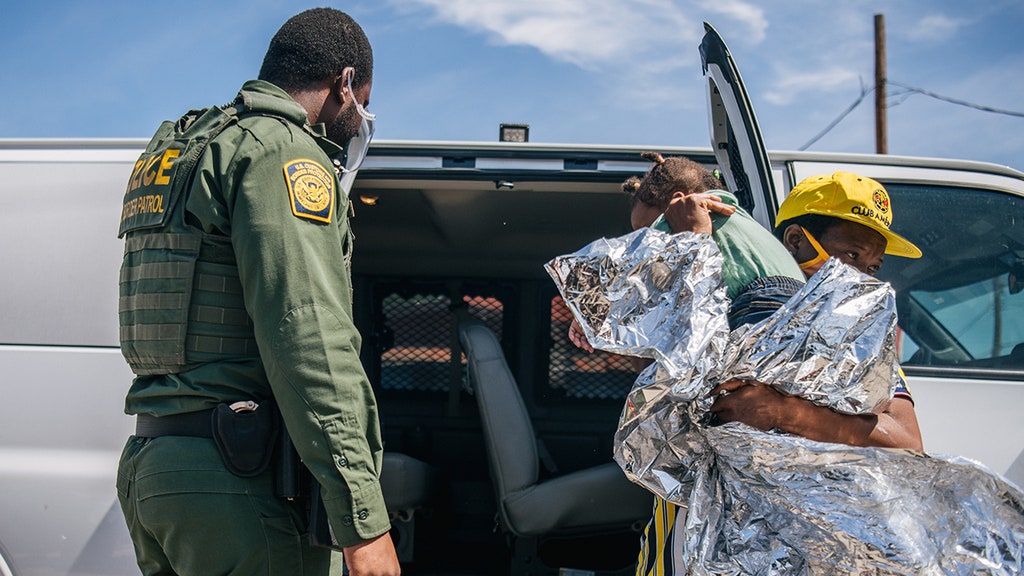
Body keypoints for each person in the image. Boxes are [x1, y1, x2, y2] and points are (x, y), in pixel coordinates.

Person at [115, 8, 399, 576]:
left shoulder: (186, 148)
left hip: (157, 468)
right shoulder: (281, 152)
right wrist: (363, 521)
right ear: (344, 84)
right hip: (240, 484)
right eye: (365, 99)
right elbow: (308, 336)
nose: (363, 115)